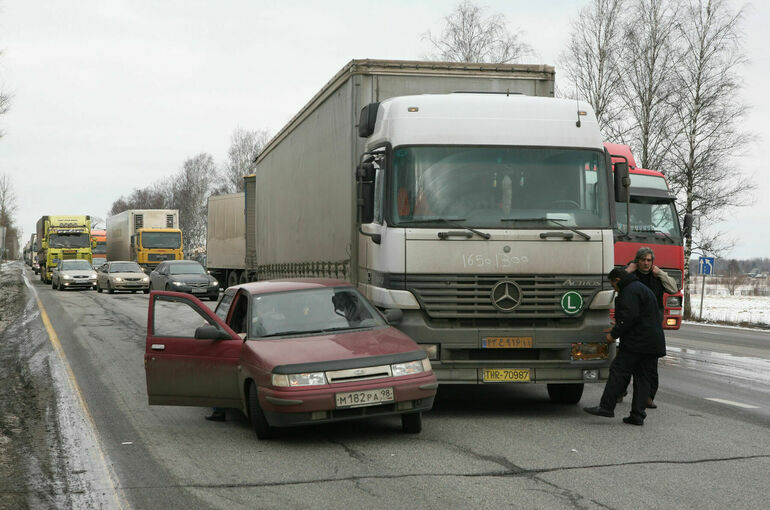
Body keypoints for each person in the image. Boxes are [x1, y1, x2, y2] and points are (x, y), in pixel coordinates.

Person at [584, 267, 666, 426]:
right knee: (642, 379)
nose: (614, 289)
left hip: (638, 342)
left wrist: (613, 334)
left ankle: (606, 407)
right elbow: (636, 316)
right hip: (651, 342)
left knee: (618, 370)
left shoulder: (629, 290)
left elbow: (629, 316)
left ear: (617, 280)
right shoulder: (639, 288)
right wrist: (616, 327)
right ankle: (637, 415)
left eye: (613, 285)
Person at [625, 246, 677, 408]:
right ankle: (619, 392)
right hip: (632, 326)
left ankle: (648, 397)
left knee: (650, 367)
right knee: (625, 363)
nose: (646, 263)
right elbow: (615, 283)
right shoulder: (630, 275)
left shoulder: (657, 277)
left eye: (649, 260)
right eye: (643, 260)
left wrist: (660, 273)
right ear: (637, 260)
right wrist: (629, 269)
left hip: (651, 328)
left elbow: (673, 289)